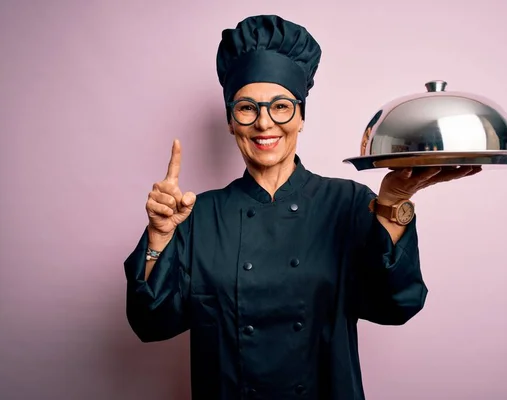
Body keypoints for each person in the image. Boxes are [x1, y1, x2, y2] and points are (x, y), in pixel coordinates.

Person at [124, 14, 480, 400]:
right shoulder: (197, 216)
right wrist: (160, 235)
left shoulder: (349, 205)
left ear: (301, 117)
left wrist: (393, 205)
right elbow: (151, 323)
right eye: (247, 108)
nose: (264, 124)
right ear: (231, 121)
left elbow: (396, 306)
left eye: (281, 106)